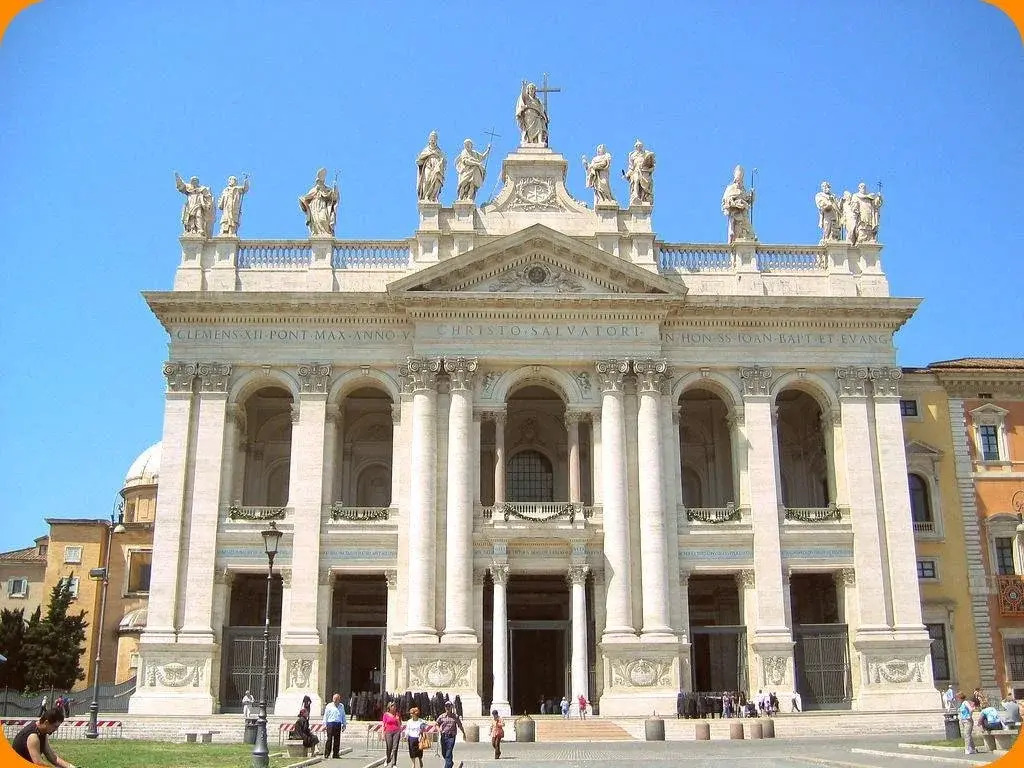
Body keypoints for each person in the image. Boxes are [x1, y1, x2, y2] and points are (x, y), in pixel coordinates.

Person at [12, 707, 77, 767]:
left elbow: (52, 757)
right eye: (55, 726)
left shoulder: (42, 732)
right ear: (46, 723)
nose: (56, 729)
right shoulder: (33, 737)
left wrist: (70, 766)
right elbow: (38, 763)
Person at [299, 167, 339, 236]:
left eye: (320, 181)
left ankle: (326, 233)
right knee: (316, 221)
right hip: (314, 208)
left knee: (323, 219)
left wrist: (335, 188)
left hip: (323, 206)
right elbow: (306, 198)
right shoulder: (313, 190)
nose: (319, 183)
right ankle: (316, 233)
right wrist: (304, 202)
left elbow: (334, 197)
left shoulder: (327, 189)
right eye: (318, 181)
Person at [722, 165, 756, 242]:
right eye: (738, 177)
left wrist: (752, 195)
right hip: (735, 214)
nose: (739, 179)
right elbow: (726, 201)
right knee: (734, 234)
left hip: (744, 215)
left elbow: (748, 200)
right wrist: (736, 203)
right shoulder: (730, 188)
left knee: (748, 233)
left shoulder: (743, 190)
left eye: (741, 177)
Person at [416, 131, 446, 203]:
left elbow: (444, 160)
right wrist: (430, 154)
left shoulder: (439, 150)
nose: (433, 140)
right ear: (429, 140)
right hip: (428, 166)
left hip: (437, 167)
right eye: (432, 138)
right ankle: (426, 196)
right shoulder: (426, 150)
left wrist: (441, 162)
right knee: (427, 180)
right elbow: (420, 158)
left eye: (434, 138)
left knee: (436, 180)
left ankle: (433, 197)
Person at [435, 699, 467, 768]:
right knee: (444, 753)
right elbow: (436, 724)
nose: (447, 708)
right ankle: (450, 763)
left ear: (451, 707)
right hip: (443, 736)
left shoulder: (455, 716)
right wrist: (439, 729)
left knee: (448, 752)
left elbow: (460, 725)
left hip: (451, 737)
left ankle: (447, 766)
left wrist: (463, 733)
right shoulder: (442, 716)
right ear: (445, 707)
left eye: (449, 706)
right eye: (446, 706)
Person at [515, 81, 548, 145]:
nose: (532, 90)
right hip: (528, 116)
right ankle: (529, 140)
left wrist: (544, 116)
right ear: (528, 90)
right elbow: (522, 95)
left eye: (533, 88)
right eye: (530, 88)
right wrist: (524, 87)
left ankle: (540, 141)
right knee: (529, 129)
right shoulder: (527, 98)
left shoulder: (537, 100)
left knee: (539, 128)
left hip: (537, 116)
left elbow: (541, 109)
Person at [625, 140, 655, 206]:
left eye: (640, 146)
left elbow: (651, 161)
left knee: (643, 187)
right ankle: (635, 195)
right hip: (636, 171)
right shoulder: (633, 155)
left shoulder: (645, 153)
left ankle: (642, 199)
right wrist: (627, 174)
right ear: (636, 147)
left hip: (644, 172)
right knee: (636, 180)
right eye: (638, 146)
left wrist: (649, 168)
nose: (639, 147)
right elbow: (631, 167)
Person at [323, 692, 348, 759]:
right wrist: (324, 724)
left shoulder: (341, 706)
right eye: (334, 699)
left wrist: (344, 724)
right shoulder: (329, 706)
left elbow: (343, 715)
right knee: (329, 739)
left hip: (338, 723)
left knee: (337, 740)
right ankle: (327, 754)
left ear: (339, 699)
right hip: (330, 723)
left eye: (336, 699)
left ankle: (335, 754)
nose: (335, 700)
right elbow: (326, 715)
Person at [381, 701, 402, 768]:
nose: (394, 708)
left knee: (395, 748)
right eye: (393, 706)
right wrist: (383, 734)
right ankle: (387, 759)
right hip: (388, 732)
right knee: (389, 747)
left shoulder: (397, 714)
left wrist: (398, 720)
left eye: (395, 706)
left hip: (396, 732)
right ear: (389, 707)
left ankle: (394, 763)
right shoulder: (386, 715)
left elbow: (400, 724)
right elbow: (383, 724)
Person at [957, 691, 977, 755]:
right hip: (963, 721)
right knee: (968, 735)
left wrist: (969, 716)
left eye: (957, 697)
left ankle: (967, 749)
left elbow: (971, 709)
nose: (957, 699)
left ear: (960, 697)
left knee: (966, 734)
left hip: (968, 721)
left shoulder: (965, 702)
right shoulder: (962, 704)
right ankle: (973, 749)